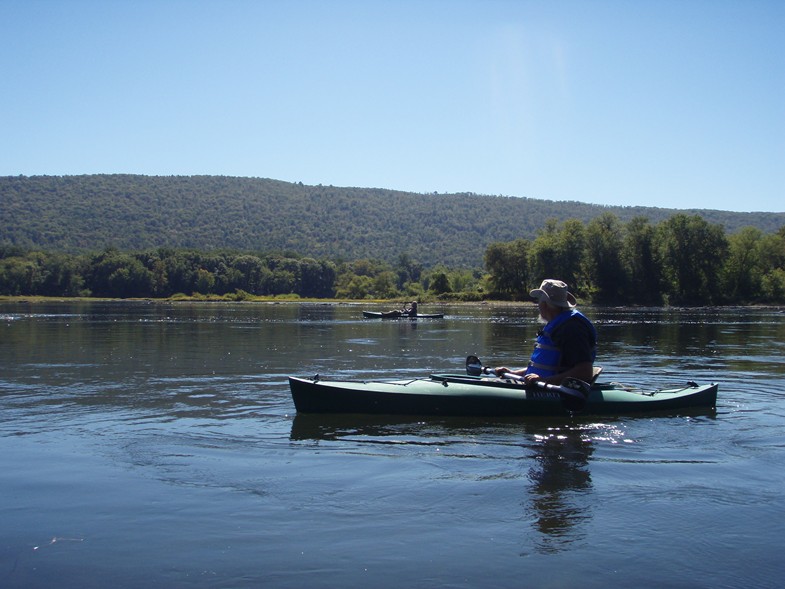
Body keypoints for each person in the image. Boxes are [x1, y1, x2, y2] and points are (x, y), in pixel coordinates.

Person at [495, 279, 596, 385]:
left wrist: (544, 381)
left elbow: (585, 372)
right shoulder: (558, 324)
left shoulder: (571, 329)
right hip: (541, 387)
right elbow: (544, 368)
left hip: (556, 393)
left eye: (539, 300)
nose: (538, 305)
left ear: (545, 304)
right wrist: (514, 373)